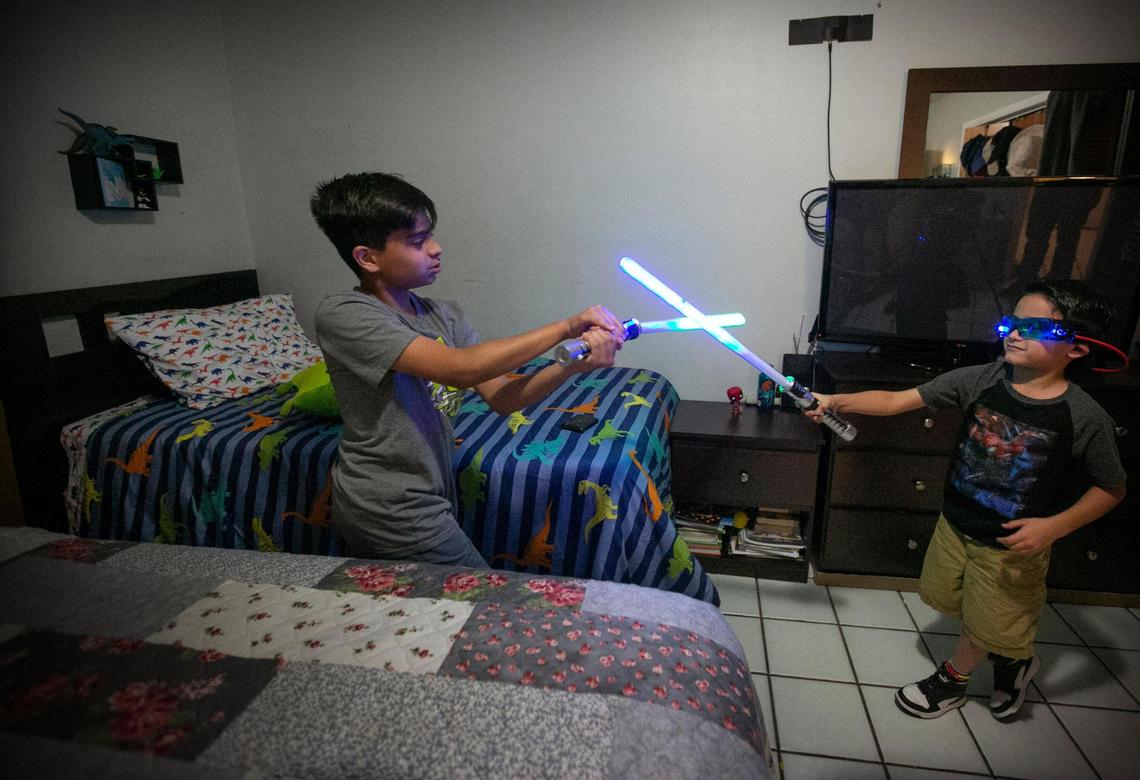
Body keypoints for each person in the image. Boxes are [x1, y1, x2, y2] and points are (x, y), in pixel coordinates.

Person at [806, 278, 1126, 721]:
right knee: (943, 595)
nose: (1015, 333)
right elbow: (900, 399)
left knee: (991, 617)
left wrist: (1054, 526)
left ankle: (953, 679)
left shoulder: (1085, 416)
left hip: (1010, 548)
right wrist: (838, 400)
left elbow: (1112, 488)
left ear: (1076, 349)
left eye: (1035, 328)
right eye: (1013, 322)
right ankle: (1013, 659)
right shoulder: (982, 379)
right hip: (955, 523)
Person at [310, 172, 625, 567]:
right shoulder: (346, 315)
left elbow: (503, 397)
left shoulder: (445, 317)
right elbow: (459, 370)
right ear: (367, 257)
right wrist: (566, 326)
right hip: (386, 504)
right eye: (417, 241)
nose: (436, 249)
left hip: (432, 493)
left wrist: (571, 364)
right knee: (483, 603)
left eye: (431, 235)